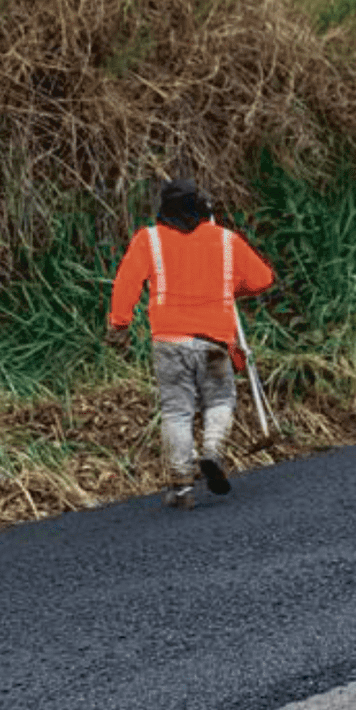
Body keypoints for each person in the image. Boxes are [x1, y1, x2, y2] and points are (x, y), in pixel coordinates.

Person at [108, 178, 275, 510]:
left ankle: (182, 488)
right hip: (215, 340)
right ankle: (212, 449)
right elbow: (262, 278)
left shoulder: (149, 239)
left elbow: (126, 283)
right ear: (200, 208)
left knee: (176, 410)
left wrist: (119, 325)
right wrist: (229, 290)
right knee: (220, 399)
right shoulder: (226, 240)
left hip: (169, 340)